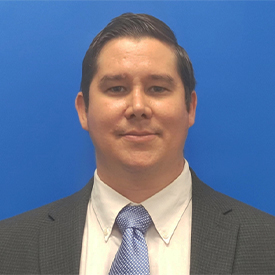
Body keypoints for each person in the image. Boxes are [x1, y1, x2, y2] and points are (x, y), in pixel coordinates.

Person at [0, 13, 275, 275]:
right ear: (84, 110)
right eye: (116, 88)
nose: (138, 107)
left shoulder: (266, 244)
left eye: (157, 88)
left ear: (190, 108)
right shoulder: (8, 247)